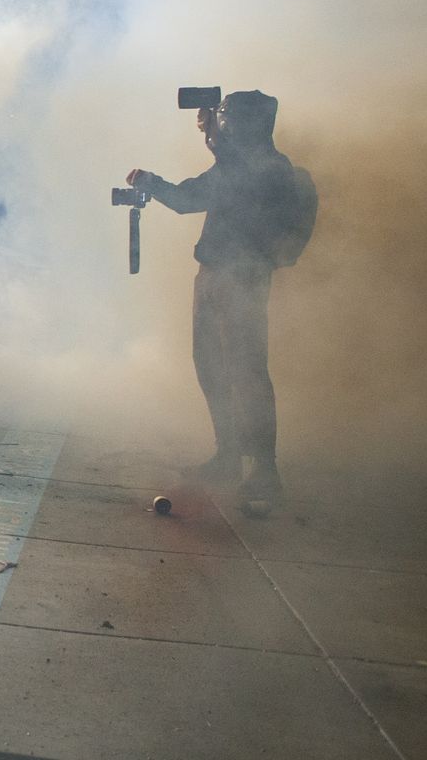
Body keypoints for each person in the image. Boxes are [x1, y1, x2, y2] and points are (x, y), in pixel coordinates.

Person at [127, 89, 315, 507]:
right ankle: (230, 458)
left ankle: (264, 471)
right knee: (213, 364)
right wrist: (215, 141)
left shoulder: (261, 169)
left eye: (227, 117)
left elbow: (186, 198)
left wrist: (149, 181)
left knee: (246, 371)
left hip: (239, 279)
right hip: (218, 276)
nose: (222, 124)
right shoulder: (250, 164)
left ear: (248, 124)